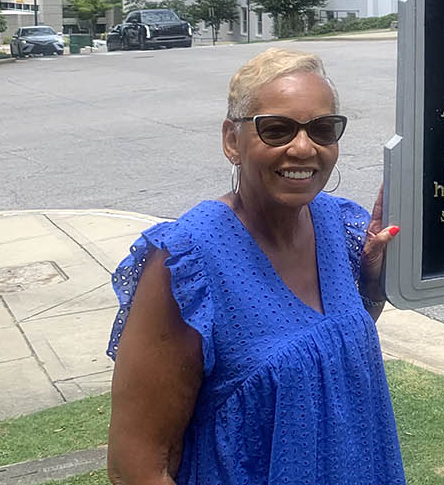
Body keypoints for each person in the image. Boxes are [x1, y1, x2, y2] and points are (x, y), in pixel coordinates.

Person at [105, 48, 404, 485]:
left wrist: (373, 286)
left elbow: (326, 353)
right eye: (277, 129)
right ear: (232, 140)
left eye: (322, 129)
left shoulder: (339, 224)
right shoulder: (190, 261)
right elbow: (137, 465)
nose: (303, 148)